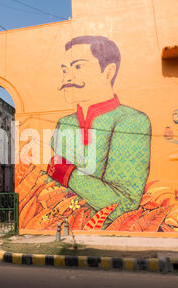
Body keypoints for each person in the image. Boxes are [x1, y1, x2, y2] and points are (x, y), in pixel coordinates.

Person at [47, 36, 152, 229]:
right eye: (64, 70)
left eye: (78, 67)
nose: (66, 78)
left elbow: (124, 205)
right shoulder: (64, 123)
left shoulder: (131, 121)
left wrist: (67, 174)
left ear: (108, 72)